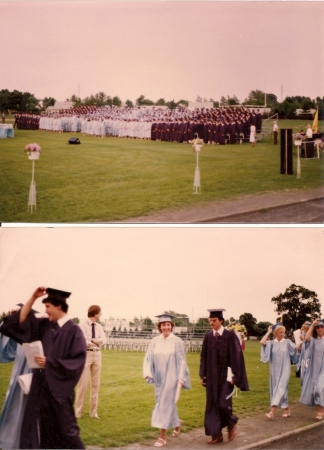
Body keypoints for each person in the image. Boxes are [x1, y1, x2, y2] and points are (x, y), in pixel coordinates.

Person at [0, 287, 86, 449]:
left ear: (58, 306)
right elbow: (19, 323)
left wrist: (49, 362)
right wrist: (32, 297)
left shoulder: (74, 331)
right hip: (40, 389)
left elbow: (77, 362)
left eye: (47, 307)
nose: (45, 311)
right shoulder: (45, 326)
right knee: (44, 434)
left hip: (59, 392)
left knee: (68, 431)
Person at [199, 309, 249, 444]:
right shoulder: (208, 337)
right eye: (210, 321)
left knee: (222, 404)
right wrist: (202, 374)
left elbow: (237, 357)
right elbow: (203, 357)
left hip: (227, 377)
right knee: (212, 405)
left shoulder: (229, 336)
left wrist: (236, 376)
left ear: (221, 321)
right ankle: (217, 435)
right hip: (212, 377)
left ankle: (231, 422)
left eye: (214, 321)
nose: (211, 323)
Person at [143, 313, 191, 447]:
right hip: (158, 377)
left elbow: (182, 361)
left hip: (172, 376)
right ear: (160, 326)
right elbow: (148, 358)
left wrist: (181, 378)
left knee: (163, 404)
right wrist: (148, 373)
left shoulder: (177, 341)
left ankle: (162, 437)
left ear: (172, 326)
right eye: (163, 325)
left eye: (168, 325)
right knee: (163, 401)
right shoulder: (155, 341)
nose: (166, 327)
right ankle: (177, 422)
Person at [260, 323, 298, 419]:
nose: (282, 334)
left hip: (285, 369)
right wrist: (269, 331)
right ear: (276, 333)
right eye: (280, 332)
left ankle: (272, 412)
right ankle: (287, 410)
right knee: (280, 389)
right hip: (274, 370)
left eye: (283, 332)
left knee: (280, 387)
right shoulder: (271, 343)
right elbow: (262, 342)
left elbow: (297, 350)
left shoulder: (287, 342)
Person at [75, 305, 106, 419]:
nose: (101, 315)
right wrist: (95, 341)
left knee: (95, 384)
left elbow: (104, 340)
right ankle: (78, 413)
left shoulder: (99, 326)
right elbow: (82, 341)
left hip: (97, 354)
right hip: (86, 355)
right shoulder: (82, 325)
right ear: (95, 313)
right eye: (100, 313)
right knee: (83, 384)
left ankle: (93, 413)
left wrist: (92, 340)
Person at [300, 319, 324, 420]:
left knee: (319, 389)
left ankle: (320, 411)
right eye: (317, 327)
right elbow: (306, 338)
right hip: (314, 368)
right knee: (315, 390)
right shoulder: (314, 341)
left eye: (321, 326)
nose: (319, 329)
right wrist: (312, 324)